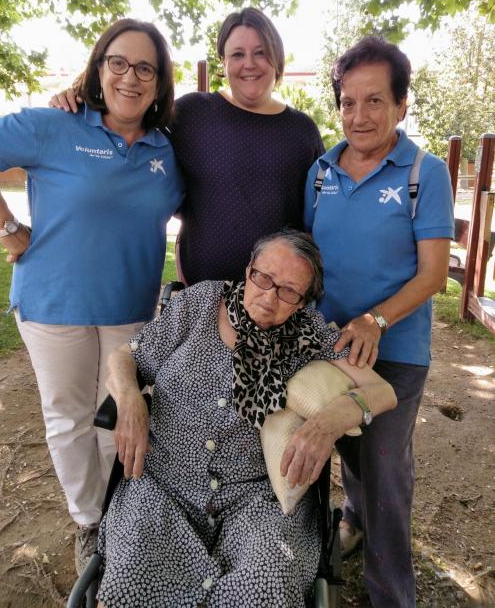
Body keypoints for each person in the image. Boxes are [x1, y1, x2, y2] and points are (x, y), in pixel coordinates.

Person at [0, 18, 184, 573]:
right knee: (69, 418)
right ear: (98, 69)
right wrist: (5, 226)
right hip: (54, 304)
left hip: (130, 309)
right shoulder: (54, 124)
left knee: (118, 415)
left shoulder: (169, 150)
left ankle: (120, 514)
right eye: (118, 63)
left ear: (160, 82)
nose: (130, 77)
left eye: (145, 68)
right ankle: (90, 522)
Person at [95, 230, 397, 608]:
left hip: (255, 498)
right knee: (129, 584)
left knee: (267, 585)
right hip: (163, 484)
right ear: (249, 268)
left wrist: (329, 422)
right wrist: (129, 399)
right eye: (263, 278)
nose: (269, 297)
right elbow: (126, 356)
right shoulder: (200, 302)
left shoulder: (310, 334)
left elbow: (383, 392)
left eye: (289, 291)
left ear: (304, 301)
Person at [304, 36, 454, 607]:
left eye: (375, 101)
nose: (359, 116)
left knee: (386, 469)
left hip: (396, 352)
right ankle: (355, 519)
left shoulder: (423, 172)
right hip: (331, 346)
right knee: (348, 447)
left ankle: (391, 594)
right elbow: (309, 255)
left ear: (401, 104)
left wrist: (375, 320)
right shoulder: (320, 172)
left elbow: (434, 275)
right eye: (348, 102)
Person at [50, 7, 324, 284]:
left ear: (277, 57)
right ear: (223, 62)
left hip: (277, 297)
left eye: (261, 52)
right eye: (237, 54)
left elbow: (319, 218)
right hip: (201, 294)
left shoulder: (302, 131)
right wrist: (82, 98)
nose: (249, 64)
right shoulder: (192, 114)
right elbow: (125, 123)